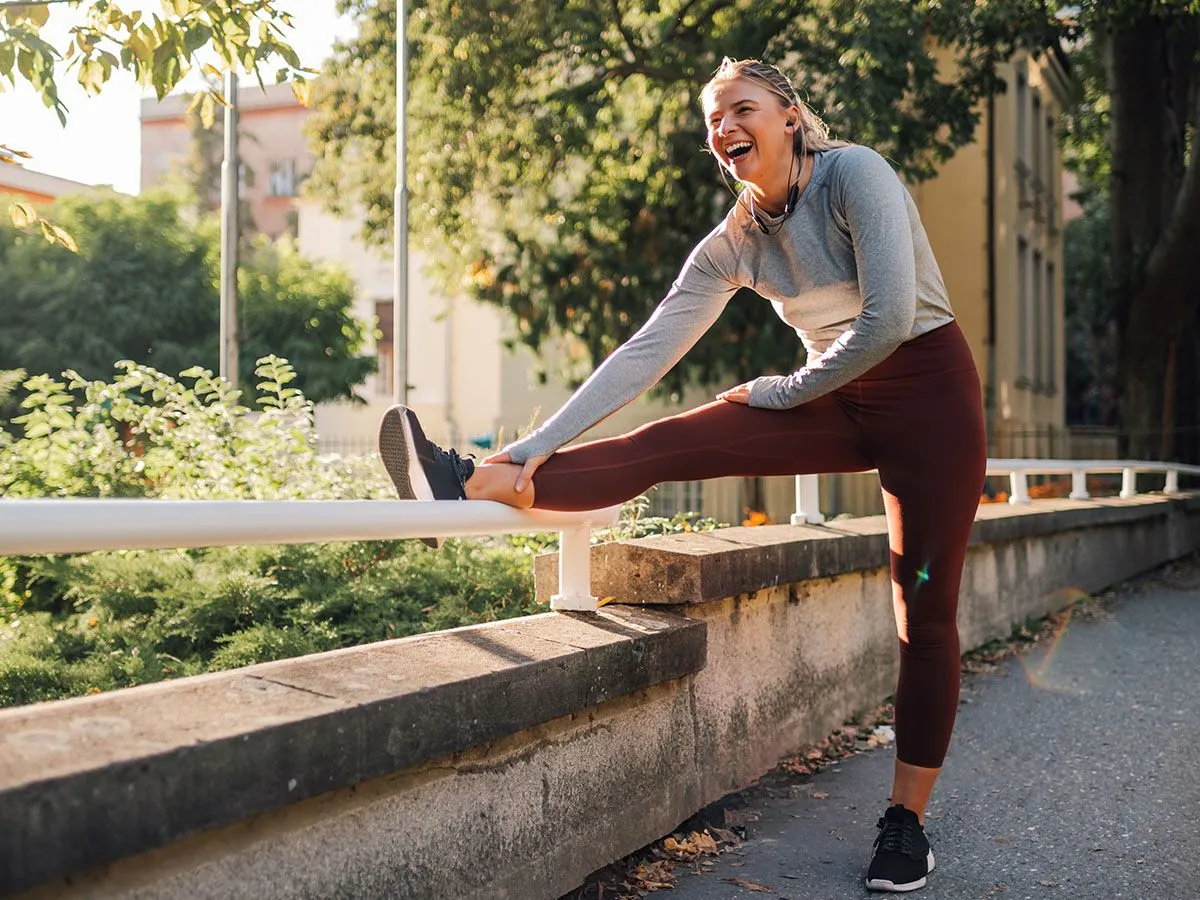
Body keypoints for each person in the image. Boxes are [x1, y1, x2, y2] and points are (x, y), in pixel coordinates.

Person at [378, 56, 986, 893]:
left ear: (789, 118)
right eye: (713, 120)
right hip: (835, 398)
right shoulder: (736, 240)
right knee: (673, 441)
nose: (725, 127)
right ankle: (480, 476)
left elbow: (885, 321)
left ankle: (905, 824)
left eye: (743, 109)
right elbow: (645, 354)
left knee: (924, 610)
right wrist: (537, 443)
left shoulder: (856, 175)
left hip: (928, 399)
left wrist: (784, 389)